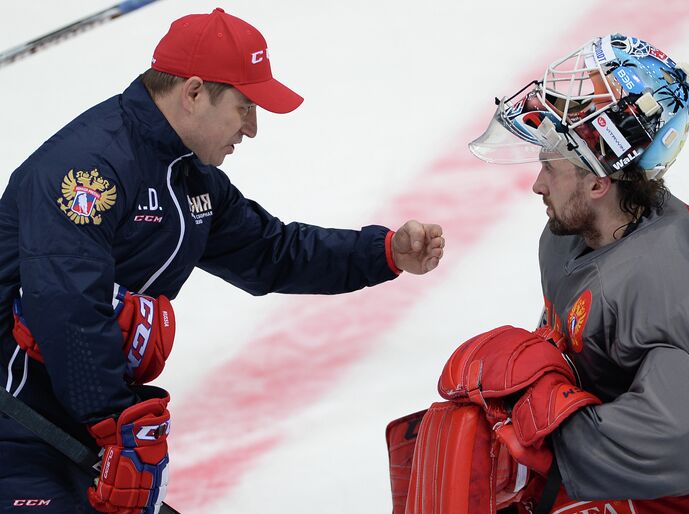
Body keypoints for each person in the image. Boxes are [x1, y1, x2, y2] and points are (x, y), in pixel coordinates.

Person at [0, 8, 444, 514]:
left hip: (70, 427)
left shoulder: (189, 178)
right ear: (192, 94)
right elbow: (65, 304)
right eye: (245, 106)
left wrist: (382, 252)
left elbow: (270, 252)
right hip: (15, 424)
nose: (251, 128)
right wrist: (117, 422)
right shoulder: (88, 169)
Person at [464, 33, 689, 512]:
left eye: (549, 166)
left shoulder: (655, 281)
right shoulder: (572, 233)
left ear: (599, 181)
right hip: (678, 465)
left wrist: (552, 441)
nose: (537, 184)